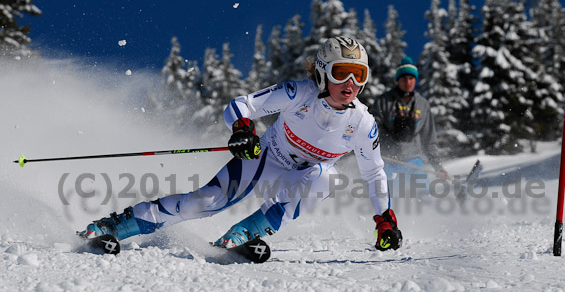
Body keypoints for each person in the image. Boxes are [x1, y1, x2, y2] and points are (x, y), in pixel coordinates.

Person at [79, 36, 402, 252]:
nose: (351, 84)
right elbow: (241, 104)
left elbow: (374, 174)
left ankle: (247, 231)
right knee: (204, 203)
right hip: (263, 159)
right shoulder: (298, 93)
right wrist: (243, 129)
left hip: (299, 179)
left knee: (327, 177)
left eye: (359, 75)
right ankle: (116, 226)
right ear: (322, 72)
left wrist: (384, 219)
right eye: (342, 72)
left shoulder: (362, 123)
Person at [370, 56, 448, 192]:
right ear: (398, 80)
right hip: (387, 160)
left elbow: (429, 138)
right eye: (404, 78)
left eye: (411, 78)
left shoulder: (422, 104)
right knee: (386, 196)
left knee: (421, 196)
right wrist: (369, 151)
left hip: (414, 161)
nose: (408, 82)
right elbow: (371, 128)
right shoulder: (384, 101)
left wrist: (437, 166)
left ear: (415, 80)